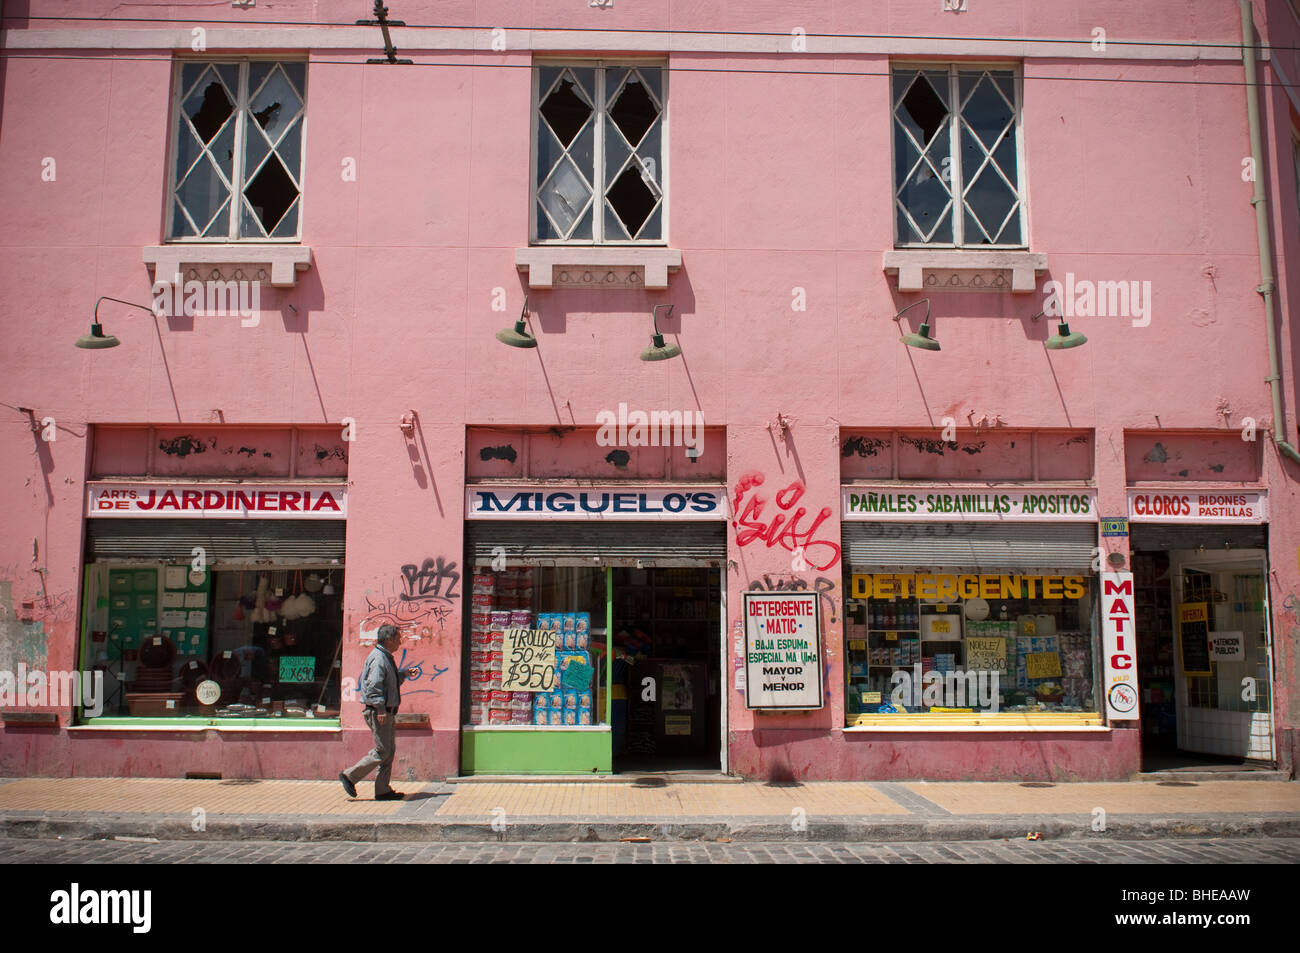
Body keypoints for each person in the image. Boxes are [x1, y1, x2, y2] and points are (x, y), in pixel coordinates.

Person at [339, 624, 416, 800]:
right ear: (389, 640)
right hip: (379, 712)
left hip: (386, 711)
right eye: (397, 639)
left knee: (389, 750)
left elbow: (387, 683)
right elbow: (374, 686)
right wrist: (380, 709)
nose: (400, 642)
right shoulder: (379, 658)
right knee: (383, 751)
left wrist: (403, 675)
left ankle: (383, 790)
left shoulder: (385, 656)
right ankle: (350, 776)